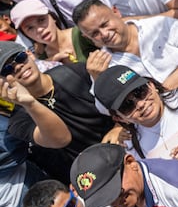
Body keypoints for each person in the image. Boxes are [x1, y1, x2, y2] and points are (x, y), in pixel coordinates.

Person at [0, 42, 114, 184]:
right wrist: (29, 103)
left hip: (120, 149)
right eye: (7, 69)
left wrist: (118, 127)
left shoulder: (73, 72)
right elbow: (61, 139)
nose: (18, 67)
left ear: (29, 54)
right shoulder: (18, 121)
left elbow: (117, 103)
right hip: (93, 178)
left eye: (20, 58)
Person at [72, 0, 178, 90]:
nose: (104, 34)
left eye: (105, 24)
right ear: (87, 37)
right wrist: (99, 80)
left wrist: (177, 78)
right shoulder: (102, 66)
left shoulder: (159, 25)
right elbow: (105, 109)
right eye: (95, 33)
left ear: (116, 12)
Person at [10, 0, 97, 63]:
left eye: (41, 20)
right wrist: (51, 63)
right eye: (30, 28)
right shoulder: (43, 60)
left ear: (53, 17)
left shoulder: (82, 33)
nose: (39, 29)